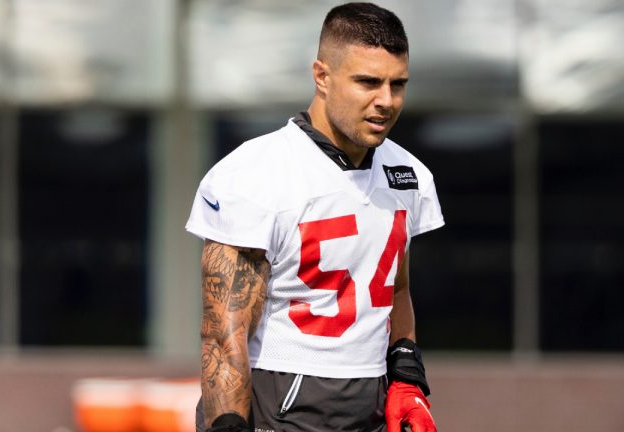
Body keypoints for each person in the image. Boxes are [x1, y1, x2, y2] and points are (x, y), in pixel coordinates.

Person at [186, 3, 444, 431]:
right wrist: (227, 423)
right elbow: (223, 329)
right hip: (282, 396)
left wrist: (406, 378)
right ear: (322, 76)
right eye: (367, 82)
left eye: (397, 84)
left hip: (372, 399)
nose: (385, 101)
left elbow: (394, 289)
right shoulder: (254, 173)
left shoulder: (408, 175)